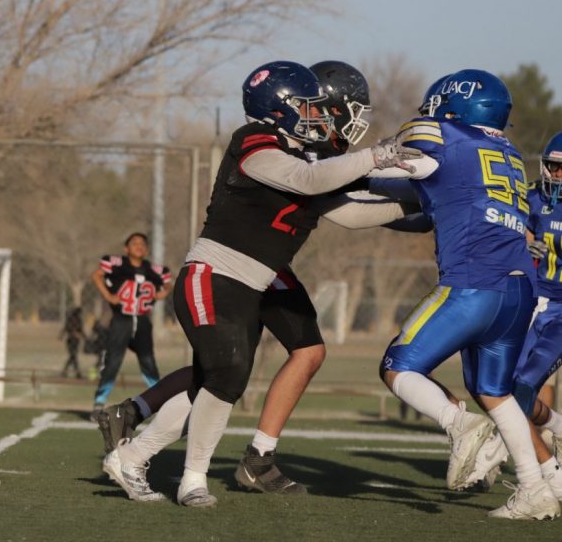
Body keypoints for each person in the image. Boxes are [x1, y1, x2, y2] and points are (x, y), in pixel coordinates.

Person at [96, 61, 408, 499]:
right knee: (226, 373)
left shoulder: (301, 156)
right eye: (307, 106)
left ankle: (137, 460)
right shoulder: (255, 140)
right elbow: (306, 179)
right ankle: (187, 478)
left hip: (251, 285)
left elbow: (351, 213)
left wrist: (423, 211)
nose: (316, 115)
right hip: (213, 274)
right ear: (279, 108)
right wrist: (377, 155)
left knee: (217, 380)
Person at [378, 71, 559, 519]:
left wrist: (352, 172)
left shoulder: (446, 137)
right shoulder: (509, 153)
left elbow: (405, 154)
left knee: (397, 367)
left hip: (474, 282)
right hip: (520, 290)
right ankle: (535, 489)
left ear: (454, 108)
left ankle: (458, 424)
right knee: (495, 391)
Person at [464, 129, 562, 493]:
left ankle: (491, 456)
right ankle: (556, 426)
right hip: (530, 301)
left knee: (524, 385)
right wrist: (523, 243)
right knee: (503, 386)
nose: (557, 175)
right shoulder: (531, 197)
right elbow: (506, 231)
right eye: (553, 167)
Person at [88, 233, 172, 408]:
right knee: (113, 361)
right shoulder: (117, 265)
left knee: (148, 362)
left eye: (142, 243)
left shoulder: (154, 270)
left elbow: (168, 284)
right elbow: (96, 275)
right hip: (121, 320)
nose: (139, 246)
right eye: (135, 243)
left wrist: (164, 292)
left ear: (147, 249)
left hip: (142, 321)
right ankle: (99, 402)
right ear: (126, 249)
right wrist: (108, 296)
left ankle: (160, 402)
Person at [59, 306, 85, 378]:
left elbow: (80, 330)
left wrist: (84, 336)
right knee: (73, 356)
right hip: (72, 340)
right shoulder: (74, 319)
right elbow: (67, 328)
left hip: (74, 340)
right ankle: (77, 373)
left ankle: (66, 371)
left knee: (73, 356)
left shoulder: (76, 319)